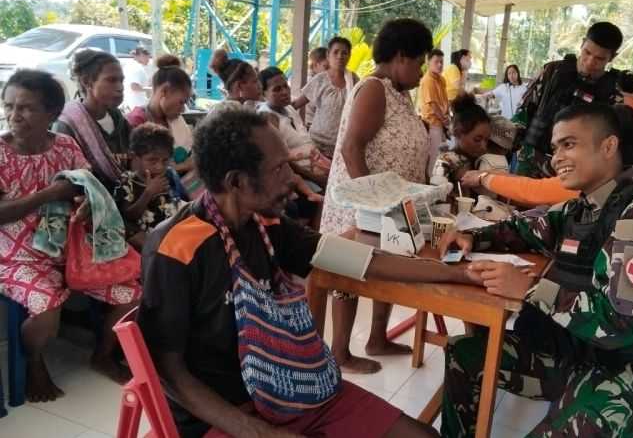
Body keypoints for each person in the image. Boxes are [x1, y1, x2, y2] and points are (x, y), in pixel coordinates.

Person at [137, 108, 478, 438]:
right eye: (279, 169)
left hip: (289, 391)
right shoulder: (176, 248)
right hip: (225, 416)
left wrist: (458, 274)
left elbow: (365, 261)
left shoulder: (265, 224)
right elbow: (167, 370)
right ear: (237, 182)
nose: (292, 178)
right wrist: (260, 433)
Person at [438, 103, 633, 437]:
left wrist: (531, 289)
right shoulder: (584, 207)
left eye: (569, 144)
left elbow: (623, 323)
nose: (556, 158)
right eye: (555, 148)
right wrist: (471, 237)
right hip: (584, 354)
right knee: (466, 352)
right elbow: (524, 229)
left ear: (609, 146)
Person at [0, 70, 141, 402]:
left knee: (132, 294)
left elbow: (86, 189)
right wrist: (49, 194)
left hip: (71, 247)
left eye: (26, 108)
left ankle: (102, 355)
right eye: (8, 106)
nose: (13, 115)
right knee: (47, 307)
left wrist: (85, 205)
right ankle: (34, 363)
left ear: (51, 113)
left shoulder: (64, 145)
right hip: (15, 254)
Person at [320, 19, 432, 374]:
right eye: (419, 63)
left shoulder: (399, 94)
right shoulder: (373, 89)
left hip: (393, 203)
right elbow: (353, 149)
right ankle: (339, 352)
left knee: (390, 264)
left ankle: (378, 338)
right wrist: (373, 203)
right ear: (400, 56)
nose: (421, 72)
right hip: (364, 203)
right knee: (348, 273)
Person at [513, 21, 624, 178]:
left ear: (612, 57)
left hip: (574, 171)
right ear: (582, 43)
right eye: (587, 52)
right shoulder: (551, 72)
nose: (590, 62)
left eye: (599, 59)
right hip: (529, 160)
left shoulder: (612, 94)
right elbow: (523, 112)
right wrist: (515, 149)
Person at [53, 49, 132, 191]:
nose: (120, 88)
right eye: (111, 80)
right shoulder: (68, 125)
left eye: (121, 80)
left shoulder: (119, 120)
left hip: (129, 200)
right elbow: (69, 181)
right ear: (87, 82)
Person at [114, 123, 188, 251]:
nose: (159, 166)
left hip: (173, 231)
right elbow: (127, 217)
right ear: (135, 157)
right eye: (152, 160)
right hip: (150, 238)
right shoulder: (128, 181)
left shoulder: (168, 175)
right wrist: (148, 193)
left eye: (165, 161)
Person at [258, 66, 330, 187]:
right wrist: (316, 179)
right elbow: (282, 161)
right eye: (277, 89)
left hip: (314, 168)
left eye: (286, 86)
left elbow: (304, 141)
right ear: (263, 93)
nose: (285, 92)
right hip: (297, 178)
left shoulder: (289, 108)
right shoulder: (267, 117)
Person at [126, 55, 195, 175]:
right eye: (181, 102)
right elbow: (138, 171)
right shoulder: (136, 121)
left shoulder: (173, 120)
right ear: (164, 92)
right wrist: (184, 166)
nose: (183, 109)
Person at [292, 37, 360, 157]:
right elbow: (296, 105)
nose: (340, 56)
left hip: (341, 147)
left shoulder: (354, 80)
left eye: (344, 53)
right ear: (328, 55)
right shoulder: (320, 80)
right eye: (336, 52)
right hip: (317, 144)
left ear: (349, 56)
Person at [431, 93, 491, 201]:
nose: (484, 146)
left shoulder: (481, 160)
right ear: (458, 133)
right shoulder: (446, 161)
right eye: (477, 139)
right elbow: (436, 199)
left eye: (487, 140)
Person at [418, 48, 450, 175]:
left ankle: (437, 180)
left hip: (442, 122)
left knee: (441, 156)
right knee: (434, 157)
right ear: (428, 62)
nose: (440, 65)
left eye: (441, 62)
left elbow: (444, 101)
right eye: (436, 62)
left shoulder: (441, 79)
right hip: (432, 124)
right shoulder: (428, 80)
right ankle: (430, 182)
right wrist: (444, 120)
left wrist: (448, 116)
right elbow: (433, 105)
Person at [304, 46, 329, 128]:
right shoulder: (310, 81)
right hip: (310, 125)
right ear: (315, 65)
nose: (329, 70)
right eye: (326, 67)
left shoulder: (325, 80)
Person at [122, 46, 153, 111]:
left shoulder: (130, 65)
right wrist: (152, 89)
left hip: (131, 104)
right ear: (140, 56)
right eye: (146, 56)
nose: (148, 59)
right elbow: (134, 87)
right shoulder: (136, 68)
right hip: (137, 105)